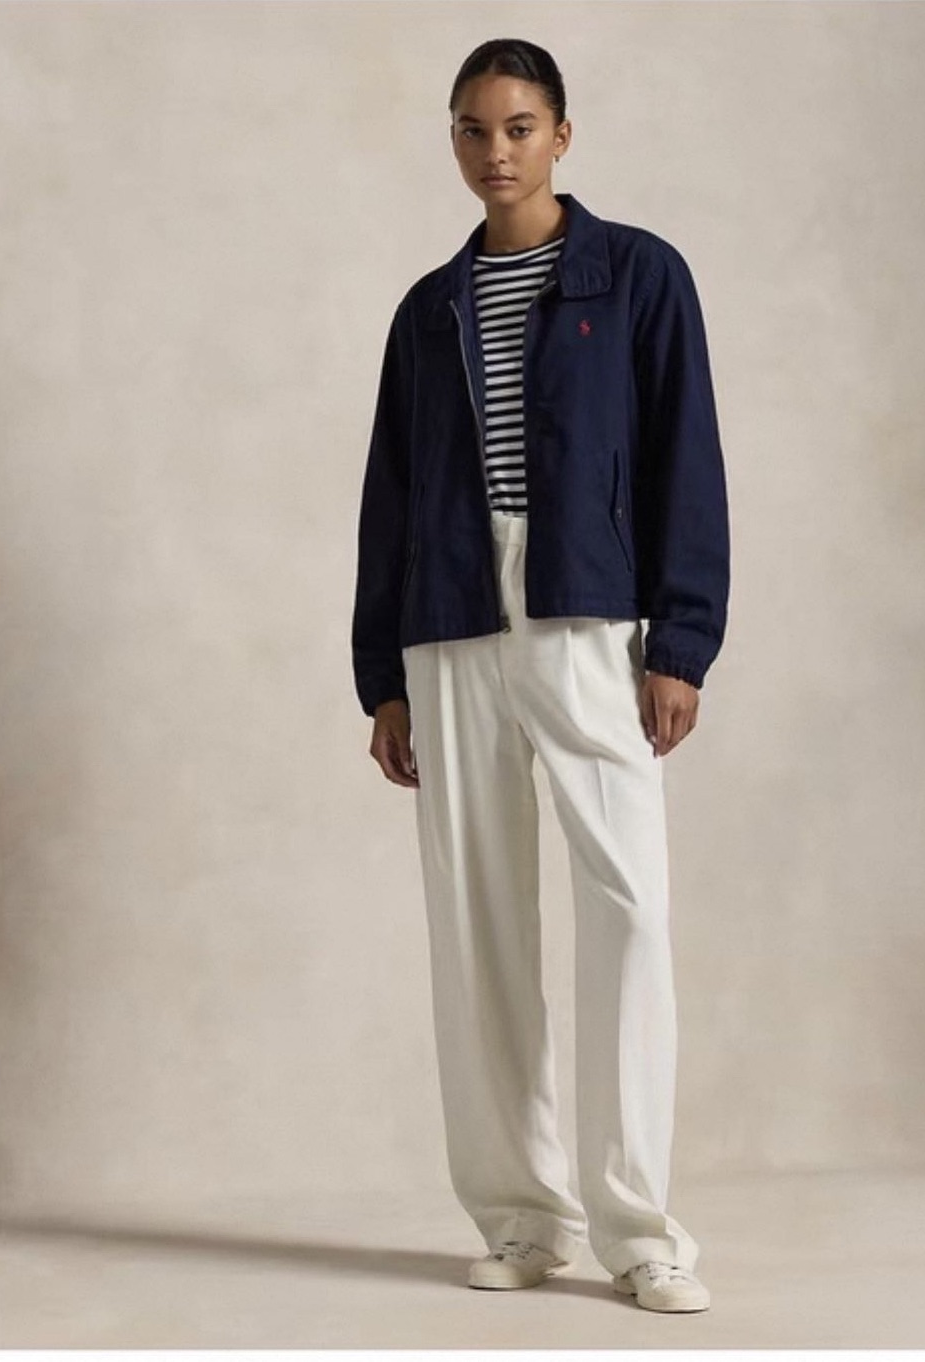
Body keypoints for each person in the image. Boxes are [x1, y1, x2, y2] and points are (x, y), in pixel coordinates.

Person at [351, 37, 730, 1315]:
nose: (495, 151)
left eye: (518, 127)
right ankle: (519, 1218)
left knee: (628, 908)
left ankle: (639, 1231)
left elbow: (685, 458)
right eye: (472, 129)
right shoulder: (429, 309)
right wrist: (382, 676)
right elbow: (389, 496)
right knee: (477, 923)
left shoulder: (637, 275)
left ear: (561, 134)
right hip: (450, 621)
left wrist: (679, 641)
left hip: (584, 614)